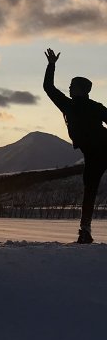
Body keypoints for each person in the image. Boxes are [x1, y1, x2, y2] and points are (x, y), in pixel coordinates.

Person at [44, 48, 107, 243]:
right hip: (96, 152)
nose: (69, 88)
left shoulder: (69, 105)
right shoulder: (94, 106)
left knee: (90, 191)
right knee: (89, 190)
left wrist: (52, 65)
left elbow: (49, 87)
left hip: (98, 152)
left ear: (80, 89)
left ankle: (85, 232)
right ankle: (85, 232)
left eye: (72, 86)